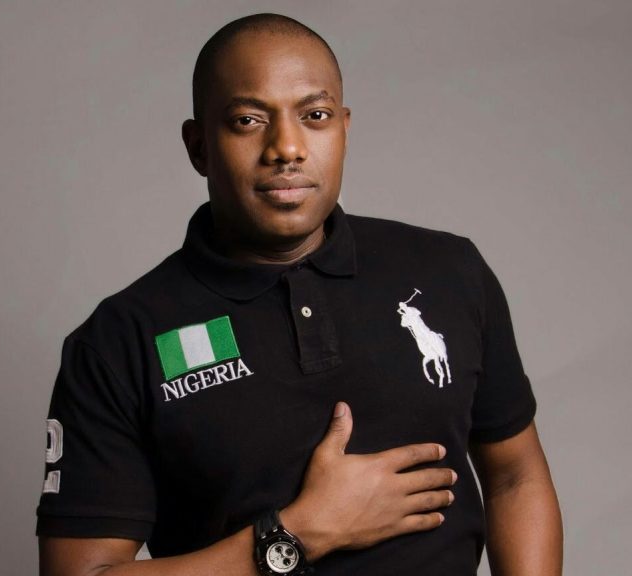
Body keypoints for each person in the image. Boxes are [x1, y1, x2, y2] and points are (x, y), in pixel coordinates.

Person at [37, 13, 562, 576]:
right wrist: (298, 533)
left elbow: (516, 476)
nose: (286, 147)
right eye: (247, 120)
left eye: (314, 116)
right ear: (199, 147)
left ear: (344, 128)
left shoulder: (449, 270)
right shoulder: (119, 341)